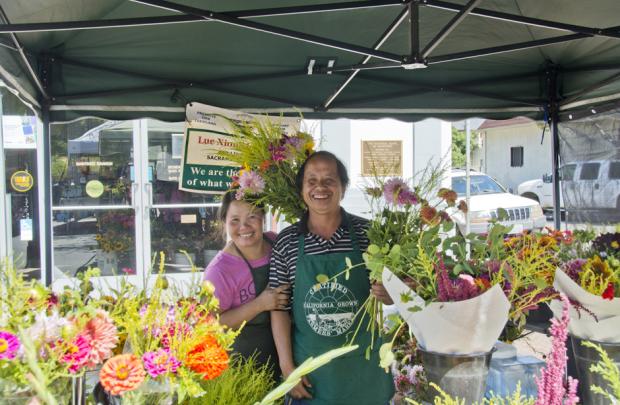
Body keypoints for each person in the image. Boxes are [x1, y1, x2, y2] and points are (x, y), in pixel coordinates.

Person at [269, 151, 395, 405]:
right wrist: (287, 367)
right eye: (311, 181)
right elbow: (279, 307)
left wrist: (389, 293)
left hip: (365, 369)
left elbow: (394, 294)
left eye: (329, 180)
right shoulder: (287, 241)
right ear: (301, 189)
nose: (320, 188)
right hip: (312, 373)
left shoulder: (368, 234)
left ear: (344, 187)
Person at [203, 191, 289, 373]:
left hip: (286, 354)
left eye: (252, 217)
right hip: (243, 365)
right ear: (224, 221)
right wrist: (260, 304)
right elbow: (210, 325)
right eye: (234, 220)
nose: (244, 227)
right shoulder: (219, 271)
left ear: (263, 218)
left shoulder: (275, 242)